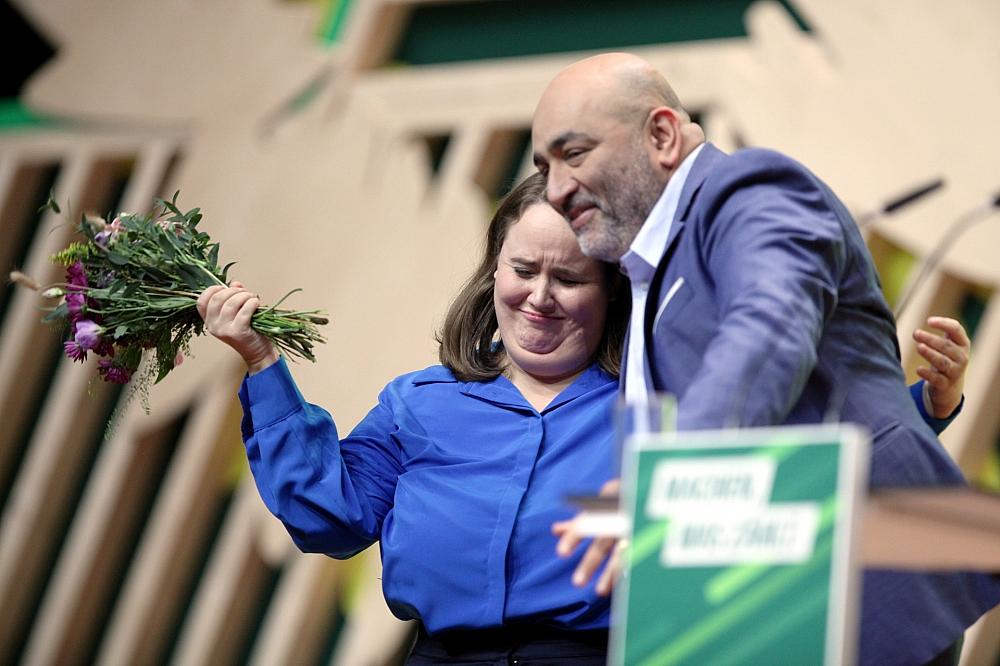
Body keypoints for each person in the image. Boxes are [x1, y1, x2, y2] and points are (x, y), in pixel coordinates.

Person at [530, 52, 999, 666]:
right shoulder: (645, 274)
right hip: (759, 611)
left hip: (860, 590)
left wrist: (668, 491)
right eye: (544, 167)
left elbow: (770, 322)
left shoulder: (747, 189)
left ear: (663, 135)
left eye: (574, 154)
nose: (556, 189)